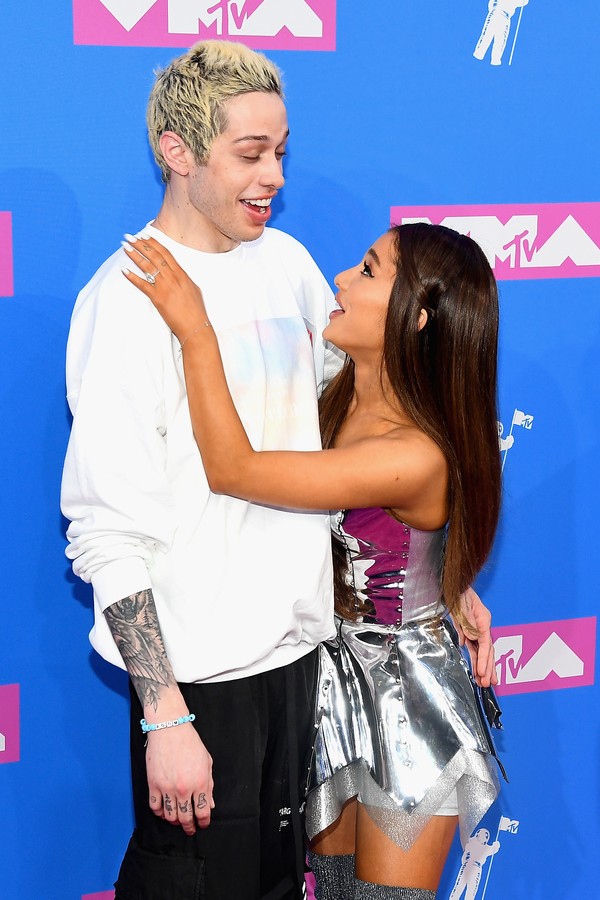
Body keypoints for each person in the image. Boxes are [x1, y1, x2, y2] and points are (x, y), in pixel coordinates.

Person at [62, 38, 496, 900]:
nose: (273, 178)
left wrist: (441, 576)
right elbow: (107, 531)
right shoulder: (126, 299)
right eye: (250, 154)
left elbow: (363, 435)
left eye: (282, 152)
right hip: (202, 687)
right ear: (177, 153)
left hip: (307, 670)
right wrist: (165, 713)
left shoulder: (290, 264)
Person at [119, 220, 505, 900]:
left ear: (415, 317)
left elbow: (235, 469)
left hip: (406, 701)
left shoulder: (411, 453)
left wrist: (196, 331)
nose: (341, 280)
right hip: (325, 681)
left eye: (368, 270)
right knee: (328, 890)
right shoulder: (339, 391)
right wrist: (454, 581)